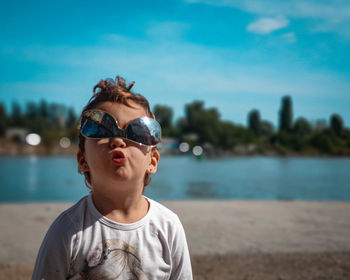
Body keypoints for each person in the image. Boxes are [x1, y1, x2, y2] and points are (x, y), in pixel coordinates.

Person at [32, 76, 193, 279]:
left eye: (137, 131)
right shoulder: (67, 231)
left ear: (152, 162)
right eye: (101, 129)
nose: (118, 140)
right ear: (82, 160)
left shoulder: (168, 227)